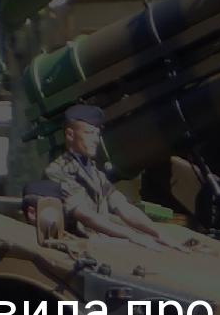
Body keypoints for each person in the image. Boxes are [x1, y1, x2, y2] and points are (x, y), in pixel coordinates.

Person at [44, 104, 187, 252]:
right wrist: (132, 236)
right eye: (89, 133)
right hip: (76, 246)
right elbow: (84, 215)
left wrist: (159, 234)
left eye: (97, 134)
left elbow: (124, 208)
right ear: (70, 134)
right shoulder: (56, 172)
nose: (96, 140)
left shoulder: (95, 173)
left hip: (102, 243)